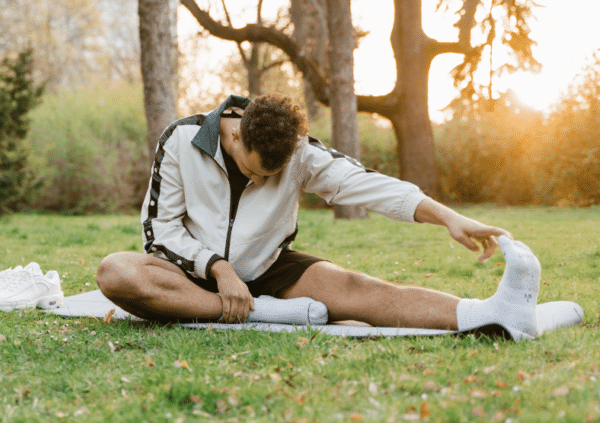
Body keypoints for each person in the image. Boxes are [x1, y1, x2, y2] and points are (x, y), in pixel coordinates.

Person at [96, 94, 541, 340]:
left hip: (270, 269)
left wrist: (447, 217)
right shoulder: (181, 139)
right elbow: (160, 232)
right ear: (233, 135)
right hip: (191, 276)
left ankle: (491, 313)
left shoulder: (299, 151)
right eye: (253, 170)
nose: (259, 180)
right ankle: (266, 315)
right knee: (117, 272)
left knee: (360, 288)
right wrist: (218, 267)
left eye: (270, 176)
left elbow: (367, 184)